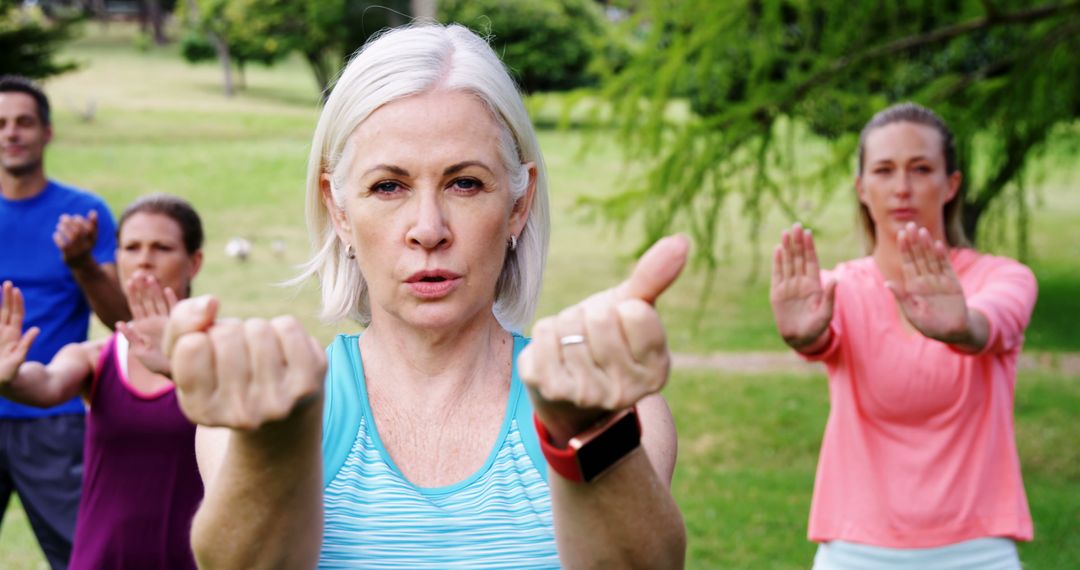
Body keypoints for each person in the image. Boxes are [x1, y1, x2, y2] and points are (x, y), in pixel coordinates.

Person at [161, 24, 688, 568]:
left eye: (465, 183)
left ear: (518, 203)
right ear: (338, 210)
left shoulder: (613, 408)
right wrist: (277, 445)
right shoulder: (264, 410)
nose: (428, 229)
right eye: (388, 186)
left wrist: (586, 434)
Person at [769, 103, 1037, 569]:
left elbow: (988, 326)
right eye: (884, 170)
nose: (902, 188)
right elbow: (822, 338)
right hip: (855, 549)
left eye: (921, 169)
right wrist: (802, 337)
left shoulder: (1005, 278)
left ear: (951, 184)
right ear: (862, 189)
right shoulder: (840, 289)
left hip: (978, 550)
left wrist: (962, 326)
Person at [0, 194, 206, 569]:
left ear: (194, 261)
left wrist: (179, 366)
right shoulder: (96, 357)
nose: (144, 258)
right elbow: (45, 384)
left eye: (162, 247)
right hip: (101, 560)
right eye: (131, 247)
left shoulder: (223, 353)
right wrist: (8, 377)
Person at [0, 74, 129, 568]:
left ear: (47, 132)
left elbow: (122, 320)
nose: (12, 132)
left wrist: (82, 263)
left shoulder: (83, 214)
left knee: (86, 556)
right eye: (3, 123)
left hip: (51, 420)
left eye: (24, 122)